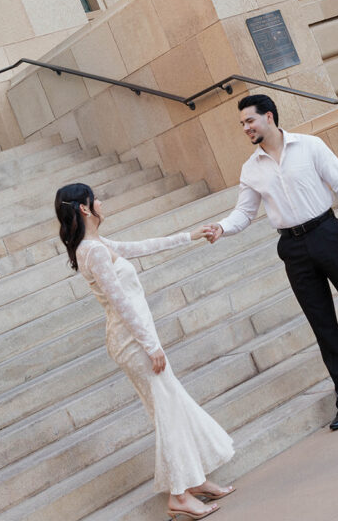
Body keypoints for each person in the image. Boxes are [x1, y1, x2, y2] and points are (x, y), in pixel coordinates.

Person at [203, 94, 338, 431]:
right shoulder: (250, 169)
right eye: (242, 123)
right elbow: (244, 213)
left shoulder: (309, 146)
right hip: (293, 248)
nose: (245, 128)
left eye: (249, 121)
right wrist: (221, 227)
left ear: (268, 117)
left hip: (328, 233)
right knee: (323, 327)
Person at [55, 182, 235, 520]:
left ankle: (192, 481)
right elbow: (121, 304)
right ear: (84, 208)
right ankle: (179, 495)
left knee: (174, 406)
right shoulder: (92, 250)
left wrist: (191, 235)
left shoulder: (96, 244)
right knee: (166, 412)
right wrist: (151, 346)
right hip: (132, 342)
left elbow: (143, 246)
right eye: (96, 200)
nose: (101, 203)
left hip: (135, 339)